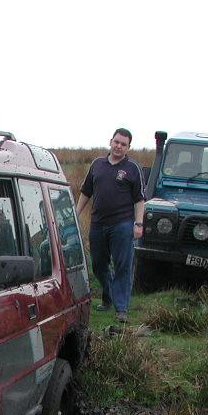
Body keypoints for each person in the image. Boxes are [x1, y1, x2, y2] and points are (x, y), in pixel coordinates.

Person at [75, 128, 145, 323]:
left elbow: (140, 199)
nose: (118, 147)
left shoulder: (133, 168)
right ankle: (108, 296)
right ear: (110, 142)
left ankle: (121, 308)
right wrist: (75, 213)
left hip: (122, 225)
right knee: (98, 264)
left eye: (123, 144)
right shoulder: (97, 164)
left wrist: (138, 224)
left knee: (123, 265)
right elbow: (86, 191)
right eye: (116, 142)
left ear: (128, 147)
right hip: (98, 224)